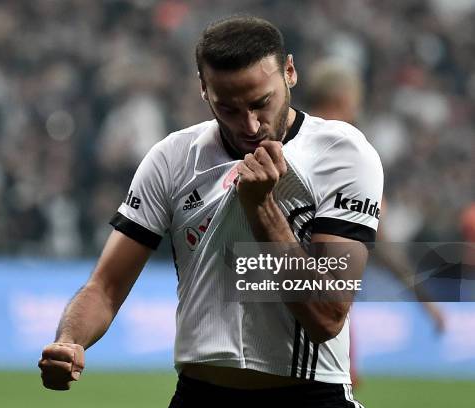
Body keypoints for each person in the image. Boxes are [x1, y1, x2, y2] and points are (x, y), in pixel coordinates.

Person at [39, 16, 383, 407]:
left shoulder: (342, 155)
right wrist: (69, 342)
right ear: (204, 90)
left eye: (261, 103)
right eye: (229, 109)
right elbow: (106, 286)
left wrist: (263, 209)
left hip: (309, 395)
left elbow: (327, 315)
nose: (250, 125)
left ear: (289, 72)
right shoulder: (173, 158)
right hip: (199, 395)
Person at [305, 58, 447, 387]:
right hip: (325, 306)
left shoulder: (280, 143)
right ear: (344, 98)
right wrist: (426, 301)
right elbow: (378, 239)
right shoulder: (351, 153)